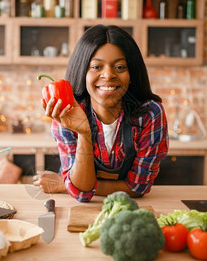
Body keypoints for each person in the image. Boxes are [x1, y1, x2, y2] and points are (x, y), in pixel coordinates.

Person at [33, 24, 168, 202]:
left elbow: (137, 188)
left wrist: (64, 185)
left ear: (132, 72)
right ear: (83, 71)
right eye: (96, 67)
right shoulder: (67, 112)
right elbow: (81, 195)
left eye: (120, 67)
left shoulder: (150, 114)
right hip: (76, 209)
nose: (109, 75)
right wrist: (84, 133)